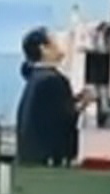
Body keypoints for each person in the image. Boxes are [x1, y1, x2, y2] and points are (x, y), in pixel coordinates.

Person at [14, 26, 93, 166]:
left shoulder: (36, 78)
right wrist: (84, 103)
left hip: (31, 161)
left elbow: (51, 112)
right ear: (44, 49)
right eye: (55, 41)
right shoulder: (52, 80)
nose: (60, 44)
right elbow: (65, 120)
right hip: (48, 163)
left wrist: (77, 99)